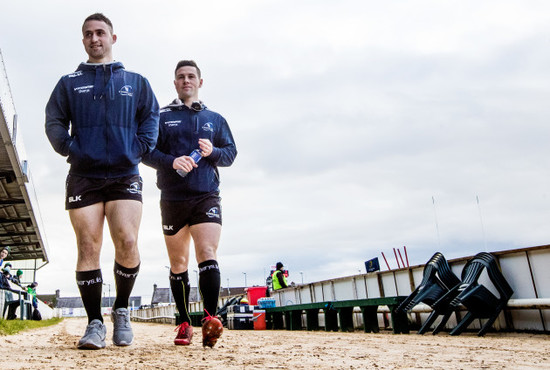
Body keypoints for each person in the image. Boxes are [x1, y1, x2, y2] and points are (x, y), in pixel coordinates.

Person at [45, 13, 159, 349]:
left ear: (112, 37)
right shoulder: (69, 82)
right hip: (84, 175)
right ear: (83, 41)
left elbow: (150, 119)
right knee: (88, 247)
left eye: (100, 33)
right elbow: (53, 121)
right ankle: (94, 322)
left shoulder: (136, 82)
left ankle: (121, 310)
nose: (94, 39)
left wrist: (138, 149)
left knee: (127, 241)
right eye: (88, 34)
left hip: (125, 173)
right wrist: (71, 148)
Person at [143, 60, 237, 347]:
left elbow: (230, 154)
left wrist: (212, 152)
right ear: (175, 83)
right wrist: (171, 161)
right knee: (178, 262)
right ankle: (184, 322)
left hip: (206, 194)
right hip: (172, 197)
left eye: (191, 76)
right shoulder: (160, 117)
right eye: (181, 77)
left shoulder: (215, 118)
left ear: (200, 82)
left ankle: (210, 320)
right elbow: (146, 152)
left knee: (207, 252)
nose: (186, 81)